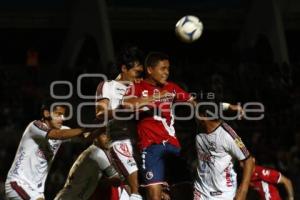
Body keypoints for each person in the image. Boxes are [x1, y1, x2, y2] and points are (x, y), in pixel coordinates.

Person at [122, 52, 243, 200]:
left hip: (173, 146)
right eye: (163, 68)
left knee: (184, 190)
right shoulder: (137, 86)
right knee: (154, 194)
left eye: (168, 68)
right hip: (151, 147)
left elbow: (196, 103)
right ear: (149, 70)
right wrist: (153, 98)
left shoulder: (172, 88)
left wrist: (228, 106)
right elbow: (127, 105)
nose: (167, 72)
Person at [5, 100, 90, 200]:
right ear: (47, 113)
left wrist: (99, 126)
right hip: (18, 183)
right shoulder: (35, 126)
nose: (62, 118)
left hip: (37, 192)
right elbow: (59, 135)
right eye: (58, 114)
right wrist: (84, 129)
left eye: (63, 115)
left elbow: (86, 137)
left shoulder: (62, 130)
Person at [94, 46, 144, 200]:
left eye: (141, 74)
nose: (138, 77)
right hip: (119, 140)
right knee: (134, 188)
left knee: (130, 190)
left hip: (142, 144)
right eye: (136, 73)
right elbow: (100, 113)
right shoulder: (108, 86)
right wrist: (122, 110)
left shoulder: (141, 88)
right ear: (124, 68)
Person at [193, 104, 254, 200]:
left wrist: (243, 190)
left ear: (203, 116)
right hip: (201, 191)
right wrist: (230, 106)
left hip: (224, 194)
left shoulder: (228, 135)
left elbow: (249, 160)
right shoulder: (199, 128)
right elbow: (197, 103)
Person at [54, 130, 122, 200]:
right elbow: (116, 181)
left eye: (109, 135)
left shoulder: (91, 150)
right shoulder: (97, 153)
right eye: (104, 135)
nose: (108, 138)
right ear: (95, 137)